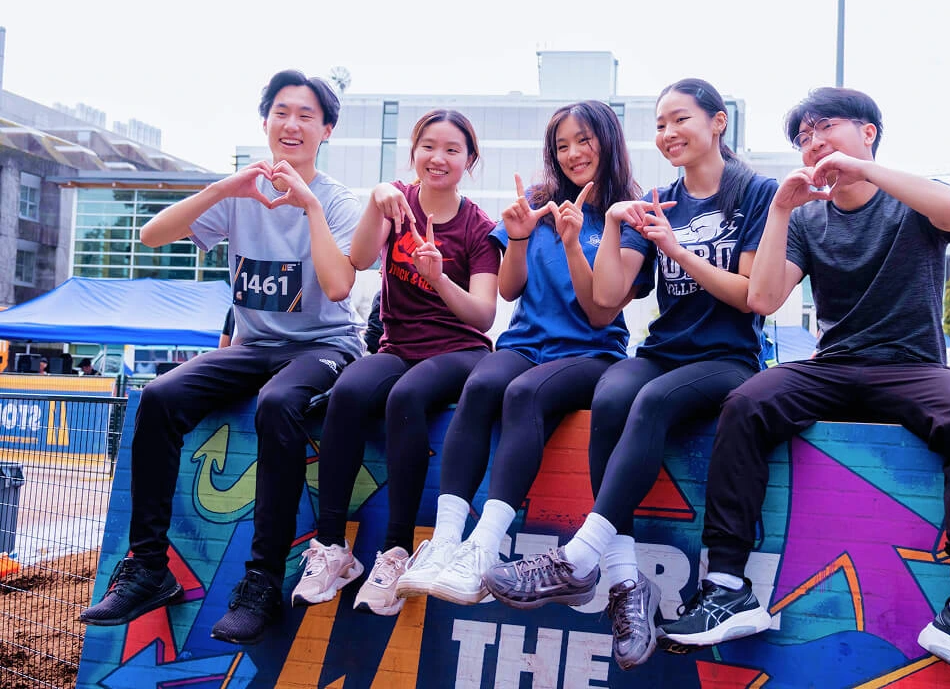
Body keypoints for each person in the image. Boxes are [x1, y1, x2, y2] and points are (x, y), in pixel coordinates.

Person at [656, 88, 950, 689]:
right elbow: (764, 298)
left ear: (869, 133)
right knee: (747, 403)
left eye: (826, 127)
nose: (814, 142)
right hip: (832, 364)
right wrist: (778, 211)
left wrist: (865, 172)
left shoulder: (909, 200)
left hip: (911, 365)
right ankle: (727, 589)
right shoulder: (805, 219)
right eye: (803, 136)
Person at [484, 79, 777, 670]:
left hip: (727, 357)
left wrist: (677, 246)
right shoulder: (660, 198)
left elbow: (752, 297)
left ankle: (578, 556)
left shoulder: (754, 192)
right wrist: (610, 228)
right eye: (660, 124)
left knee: (650, 404)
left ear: (717, 123)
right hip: (664, 348)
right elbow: (603, 306)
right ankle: (624, 581)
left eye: (680, 120)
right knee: (613, 395)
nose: (668, 134)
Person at [79, 70, 364, 646]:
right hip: (255, 346)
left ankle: (260, 583)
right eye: (281, 112)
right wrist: (222, 191)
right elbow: (153, 237)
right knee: (159, 396)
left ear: (326, 130)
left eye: (307, 115)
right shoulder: (240, 195)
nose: (292, 124)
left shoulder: (338, 202)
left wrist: (306, 205)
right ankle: (148, 567)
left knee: (277, 404)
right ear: (265, 122)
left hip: (325, 346)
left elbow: (338, 289)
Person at [379, 101, 645, 618]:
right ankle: (446, 542)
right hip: (525, 343)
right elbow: (508, 287)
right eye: (562, 145)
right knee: (481, 386)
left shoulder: (626, 213)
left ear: (608, 141)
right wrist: (520, 237)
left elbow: (601, 312)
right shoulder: (538, 203)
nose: (573, 153)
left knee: (523, 395)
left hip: (589, 353)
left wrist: (573, 243)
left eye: (584, 140)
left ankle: (485, 545)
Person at [291, 110, 501, 616]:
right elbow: (359, 260)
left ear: (469, 161)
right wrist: (377, 202)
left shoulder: (479, 228)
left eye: (453, 149)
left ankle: (397, 551)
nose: (439, 158)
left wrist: (438, 277)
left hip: (459, 350)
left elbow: (483, 314)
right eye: (429, 146)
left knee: (406, 398)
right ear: (414, 152)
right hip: (397, 346)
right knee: (348, 392)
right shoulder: (396, 204)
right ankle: (333, 548)